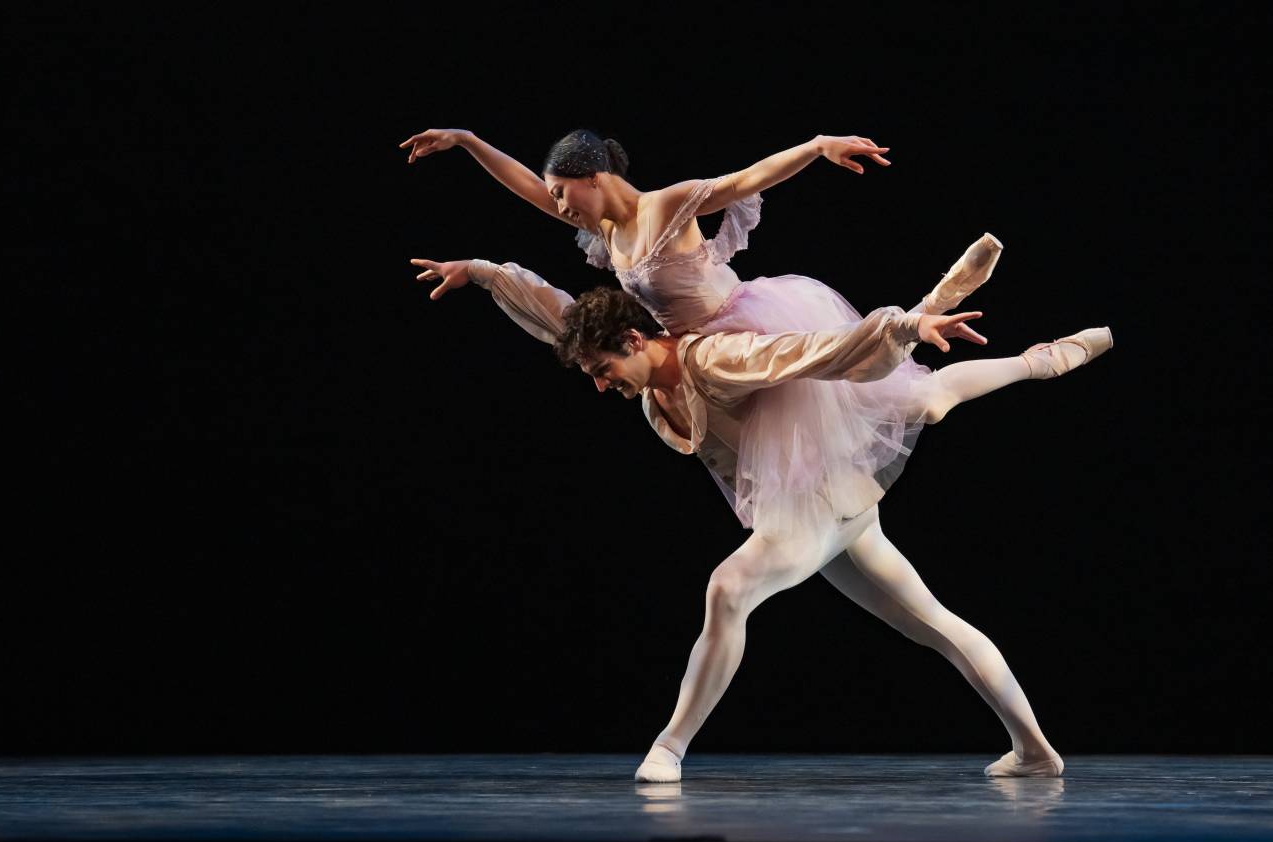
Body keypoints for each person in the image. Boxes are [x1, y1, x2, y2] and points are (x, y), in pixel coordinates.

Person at [409, 252, 1113, 781]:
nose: (599, 385)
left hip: (812, 504)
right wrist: (483, 272)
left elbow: (811, 351)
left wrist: (903, 325)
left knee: (729, 587)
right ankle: (1035, 750)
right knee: (936, 626)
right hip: (830, 505)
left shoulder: (714, 358)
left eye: (601, 370)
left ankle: (669, 746)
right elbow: (557, 314)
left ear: (633, 343)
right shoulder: (634, 358)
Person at [399, 126, 1003, 547]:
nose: (559, 206)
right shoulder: (606, 230)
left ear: (594, 176)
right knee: (583, 339)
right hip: (685, 349)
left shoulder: (663, 207)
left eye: (564, 193)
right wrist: (469, 143)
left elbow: (742, 181)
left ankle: (920, 318)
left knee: (871, 388)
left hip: (742, 325)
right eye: (556, 197)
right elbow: (531, 189)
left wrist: (817, 148)